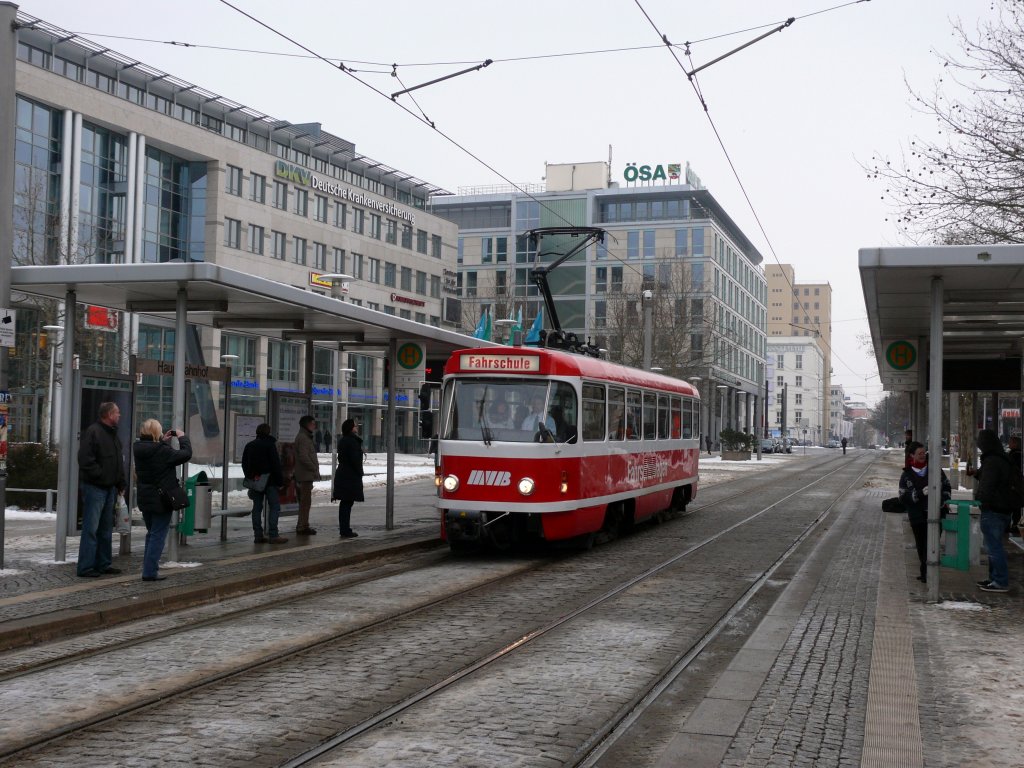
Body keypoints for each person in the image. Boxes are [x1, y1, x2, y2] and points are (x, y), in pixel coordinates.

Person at [133, 419, 192, 581]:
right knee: (158, 535)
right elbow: (186, 454)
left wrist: (160, 442)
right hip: (161, 499)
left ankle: (149, 568)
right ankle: (150, 572)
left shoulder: (138, 448)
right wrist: (182, 437)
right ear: (155, 433)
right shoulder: (161, 450)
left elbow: (156, 452)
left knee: (152, 534)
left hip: (145, 498)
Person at [76, 402, 127, 577]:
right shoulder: (94, 432)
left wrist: (120, 483)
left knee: (105, 529)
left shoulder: (113, 435)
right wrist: (102, 476)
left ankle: (103, 563)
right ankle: (86, 567)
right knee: (91, 528)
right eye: (117, 412)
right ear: (108, 415)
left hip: (109, 488)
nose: (119, 415)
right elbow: (85, 460)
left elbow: (118, 462)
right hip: (95, 488)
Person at [898, 441, 951, 584]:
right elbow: (903, 497)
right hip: (917, 517)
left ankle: (929, 574)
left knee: (932, 545)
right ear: (912, 455)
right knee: (922, 546)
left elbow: (946, 486)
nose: (922, 456)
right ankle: (925, 572)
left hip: (936, 513)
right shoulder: (907, 475)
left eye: (923, 453)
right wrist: (920, 494)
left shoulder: (935, 470)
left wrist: (945, 499)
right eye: (919, 454)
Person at [970, 429, 1016, 592]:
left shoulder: (991, 461)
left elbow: (988, 485)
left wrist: (980, 499)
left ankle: (1000, 580)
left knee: (993, 546)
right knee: (993, 545)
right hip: (1003, 510)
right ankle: (993, 578)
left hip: (994, 510)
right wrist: (977, 474)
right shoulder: (1001, 458)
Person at [241, 423, 287, 544]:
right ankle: (273, 534)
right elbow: (275, 464)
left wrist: (250, 476)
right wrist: (280, 481)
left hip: (255, 482)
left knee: (257, 507)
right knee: (274, 507)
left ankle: (258, 535)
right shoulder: (270, 445)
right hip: (270, 481)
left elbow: (244, 464)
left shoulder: (249, 445)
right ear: (268, 432)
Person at [332, 418, 363, 538]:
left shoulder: (345, 440)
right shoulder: (351, 441)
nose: (357, 427)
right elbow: (354, 460)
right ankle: (345, 530)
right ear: (351, 428)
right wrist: (360, 472)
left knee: (346, 502)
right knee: (347, 503)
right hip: (349, 476)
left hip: (344, 474)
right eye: (355, 426)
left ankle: (345, 528)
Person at [293, 415, 320, 535]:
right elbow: (303, 456)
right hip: (305, 475)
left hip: (305, 475)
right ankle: (302, 526)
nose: (314, 426)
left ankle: (303, 525)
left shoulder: (305, 437)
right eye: (312, 424)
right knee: (305, 502)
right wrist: (313, 468)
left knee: (305, 502)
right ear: (306, 425)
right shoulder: (303, 438)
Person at [1008, 434, 1022, 535]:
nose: (1009, 444)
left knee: (1012, 506)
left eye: (1011, 442)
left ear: (1015, 444)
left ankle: (1014, 526)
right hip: (1017, 485)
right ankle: (1015, 525)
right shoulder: (1018, 454)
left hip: (1013, 485)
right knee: (1016, 507)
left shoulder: (1014, 455)